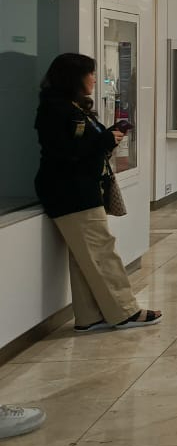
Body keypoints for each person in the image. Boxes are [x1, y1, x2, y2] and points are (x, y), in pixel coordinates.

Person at [33, 53, 161, 330]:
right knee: (102, 250)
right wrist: (103, 139)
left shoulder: (74, 107)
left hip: (82, 184)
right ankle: (125, 310)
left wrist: (108, 138)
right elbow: (64, 152)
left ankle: (90, 315)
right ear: (74, 77)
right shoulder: (55, 110)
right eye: (89, 74)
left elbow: (86, 146)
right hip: (69, 189)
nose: (94, 79)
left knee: (85, 256)